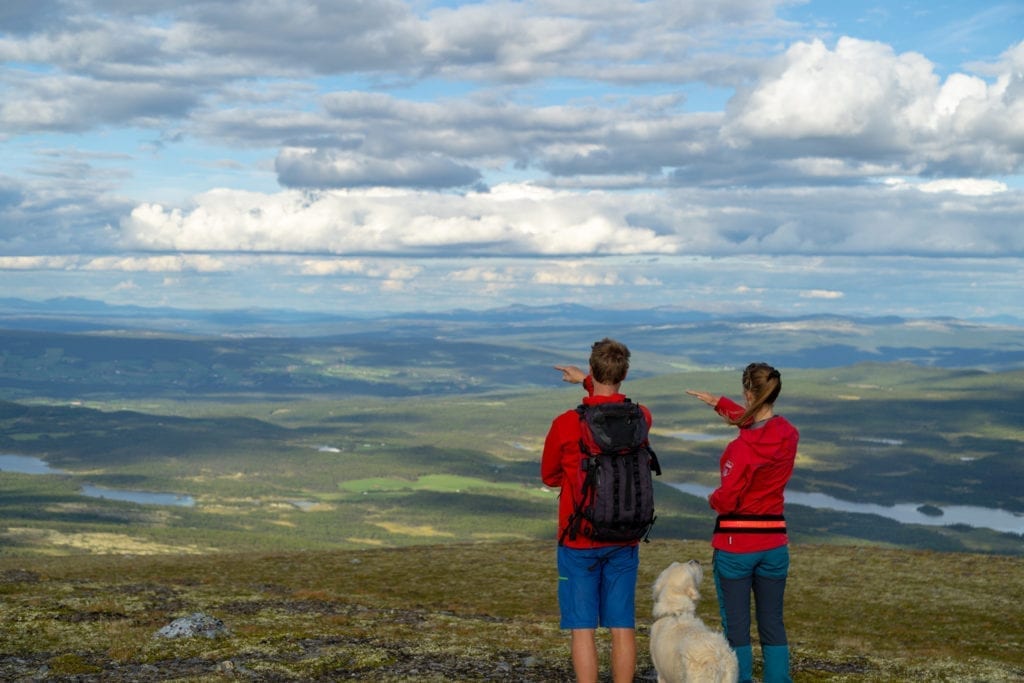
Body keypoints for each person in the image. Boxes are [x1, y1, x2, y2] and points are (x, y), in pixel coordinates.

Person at [542, 338, 652, 683]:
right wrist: (589, 382)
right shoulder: (641, 417)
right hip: (625, 537)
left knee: (583, 627)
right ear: (626, 373)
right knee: (622, 625)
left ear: (591, 369)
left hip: (578, 539)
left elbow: (549, 476)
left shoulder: (565, 423)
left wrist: (586, 382)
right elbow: (609, 401)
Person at [686, 362, 799, 683]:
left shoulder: (740, 448)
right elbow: (758, 424)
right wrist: (718, 403)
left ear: (749, 393)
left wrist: (713, 499)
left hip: (736, 547)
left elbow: (728, 499)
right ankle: (779, 679)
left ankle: (741, 678)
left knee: (736, 625)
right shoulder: (788, 433)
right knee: (772, 620)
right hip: (775, 544)